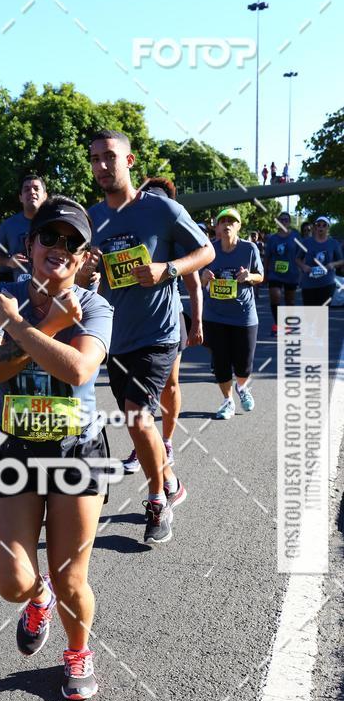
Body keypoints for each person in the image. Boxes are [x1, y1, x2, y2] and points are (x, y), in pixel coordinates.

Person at [0, 196, 113, 701]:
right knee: (12, 582)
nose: (59, 247)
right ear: (29, 244)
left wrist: (22, 326)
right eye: (48, 236)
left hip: (75, 451)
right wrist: (42, 325)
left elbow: (78, 369)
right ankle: (37, 600)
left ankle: (78, 651)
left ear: (84, 255)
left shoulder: (94, 307)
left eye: (72, 241)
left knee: (71, 575)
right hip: (13, 451)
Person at [87, 130, 214, 544]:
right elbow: (93, 277)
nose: (102, 166)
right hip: (116, 336)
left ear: (130, 161)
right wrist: (87, 275)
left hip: (159, 333)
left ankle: (158, 502)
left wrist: (168, 270)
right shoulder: (93, 217)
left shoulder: (162, 209)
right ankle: (173, 481)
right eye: (94, 159)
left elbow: (206, 251)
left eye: (109, 157)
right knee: (133, 420)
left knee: (138, 415)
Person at [119, 176, 204, 473]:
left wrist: (197, 323)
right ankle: (145, 445)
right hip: (129, 327)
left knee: (169, 384)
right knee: (138, 402)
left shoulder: (172, 225)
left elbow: (194, 284)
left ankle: (165, 440)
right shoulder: (130, 224)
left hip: (168, 321)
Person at [200, 208, 263, 420]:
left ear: (238, 226)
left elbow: (261, 276)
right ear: (216, 227)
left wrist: (249, 276)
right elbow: (198, 282)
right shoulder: (209, 250)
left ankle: (242, 387)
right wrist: (204, 277)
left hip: (244, 316)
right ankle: (227, 401)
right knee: (221, 362)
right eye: (222, 221)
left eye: (231, 221)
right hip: (214, 315)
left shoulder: (249, 249)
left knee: (244, 364)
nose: (227, 225)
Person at [0, 174, 48, 282]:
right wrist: (8, 262)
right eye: (26, 189)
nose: (32, 192)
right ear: (20, 197)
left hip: (49, 288)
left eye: (36, 189)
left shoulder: (56, 223)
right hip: (20, 290)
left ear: (45, 196)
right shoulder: (8, 225)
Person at [264, 211, 300, 334]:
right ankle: (278, 324)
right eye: (281, 219)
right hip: (275, 273)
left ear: (289, 222)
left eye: (286, 220)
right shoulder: (272, 238)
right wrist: (265, 273)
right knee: (275, 296)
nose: (283, 221)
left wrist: (302, 268)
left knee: (290, 301)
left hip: (292, 273)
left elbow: (302, 254)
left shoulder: (295, 237)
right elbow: (267, 257)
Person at [296, 216, 344, 306]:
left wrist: (332, 264)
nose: (321, 227)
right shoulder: (307, 242)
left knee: (321, 314)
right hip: (309, 283)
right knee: (310, 314)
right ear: (315, 227)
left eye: (324, 225)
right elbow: (297, 259)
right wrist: (303, 266)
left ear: (328, 228)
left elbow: (341, 261)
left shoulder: (333, 243)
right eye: (318, 225)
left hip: (327, 283)